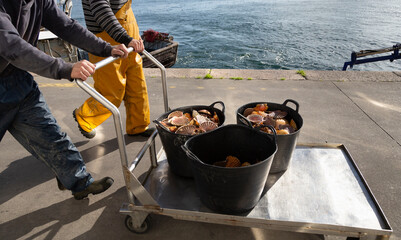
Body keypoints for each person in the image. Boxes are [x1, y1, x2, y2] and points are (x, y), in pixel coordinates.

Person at [0, 0, 130, 200]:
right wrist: (64, 68)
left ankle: (78, 182)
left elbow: (67, 26)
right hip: (9, 69)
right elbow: (12, 46)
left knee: (52, 136)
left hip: (18, 80)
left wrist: (105, 49)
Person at [73, 0, 154, 139]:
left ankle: (138, 126)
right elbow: (101, 11)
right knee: (111, 91)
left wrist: (135, 36)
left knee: (137, 86)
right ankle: (85, 116)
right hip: (107, 43)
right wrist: (126, 38)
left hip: (130, 41)